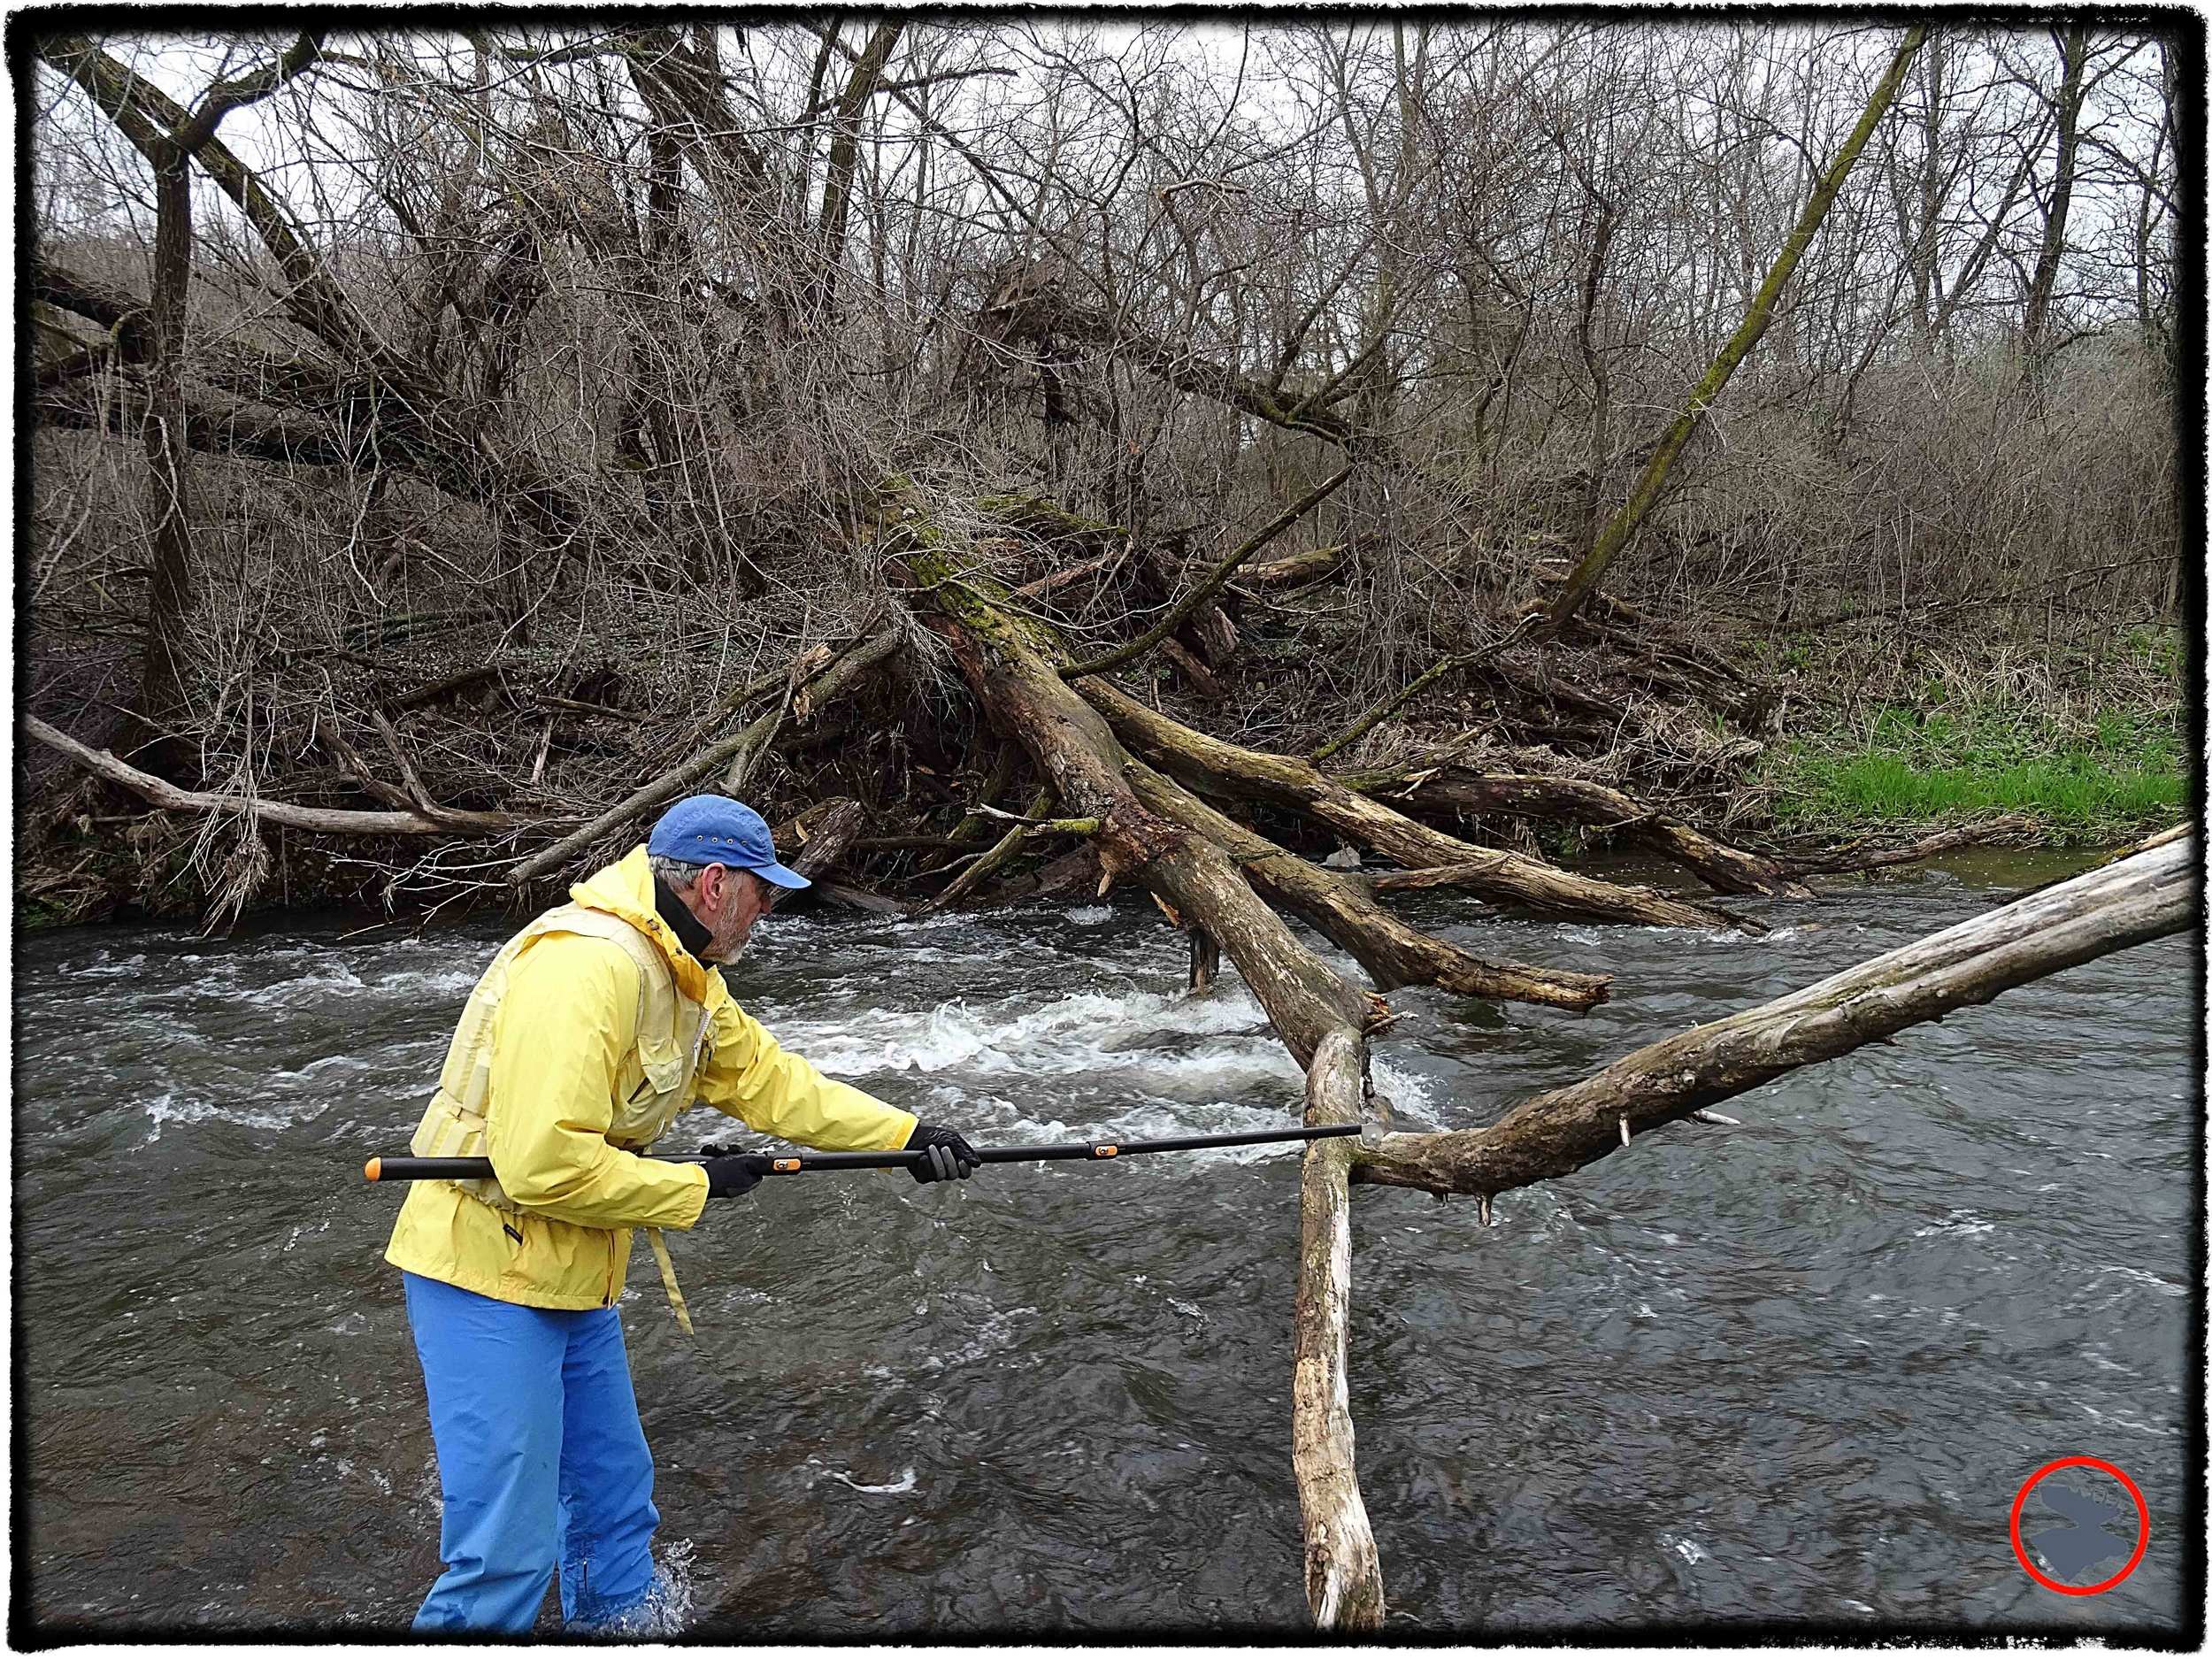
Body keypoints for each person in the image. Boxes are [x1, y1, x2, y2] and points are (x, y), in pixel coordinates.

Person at [384, 794, 980, 1632]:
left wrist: (909, 1137)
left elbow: (774, 1085)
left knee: (614, 1506)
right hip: (484, 1271)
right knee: (503, 1555)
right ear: (711, 884)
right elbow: (540, 1163)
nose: (768, 910)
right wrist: (694, 1188)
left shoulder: (688, 973)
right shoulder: (584, 968)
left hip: (574, 1270)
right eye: (761, 892)